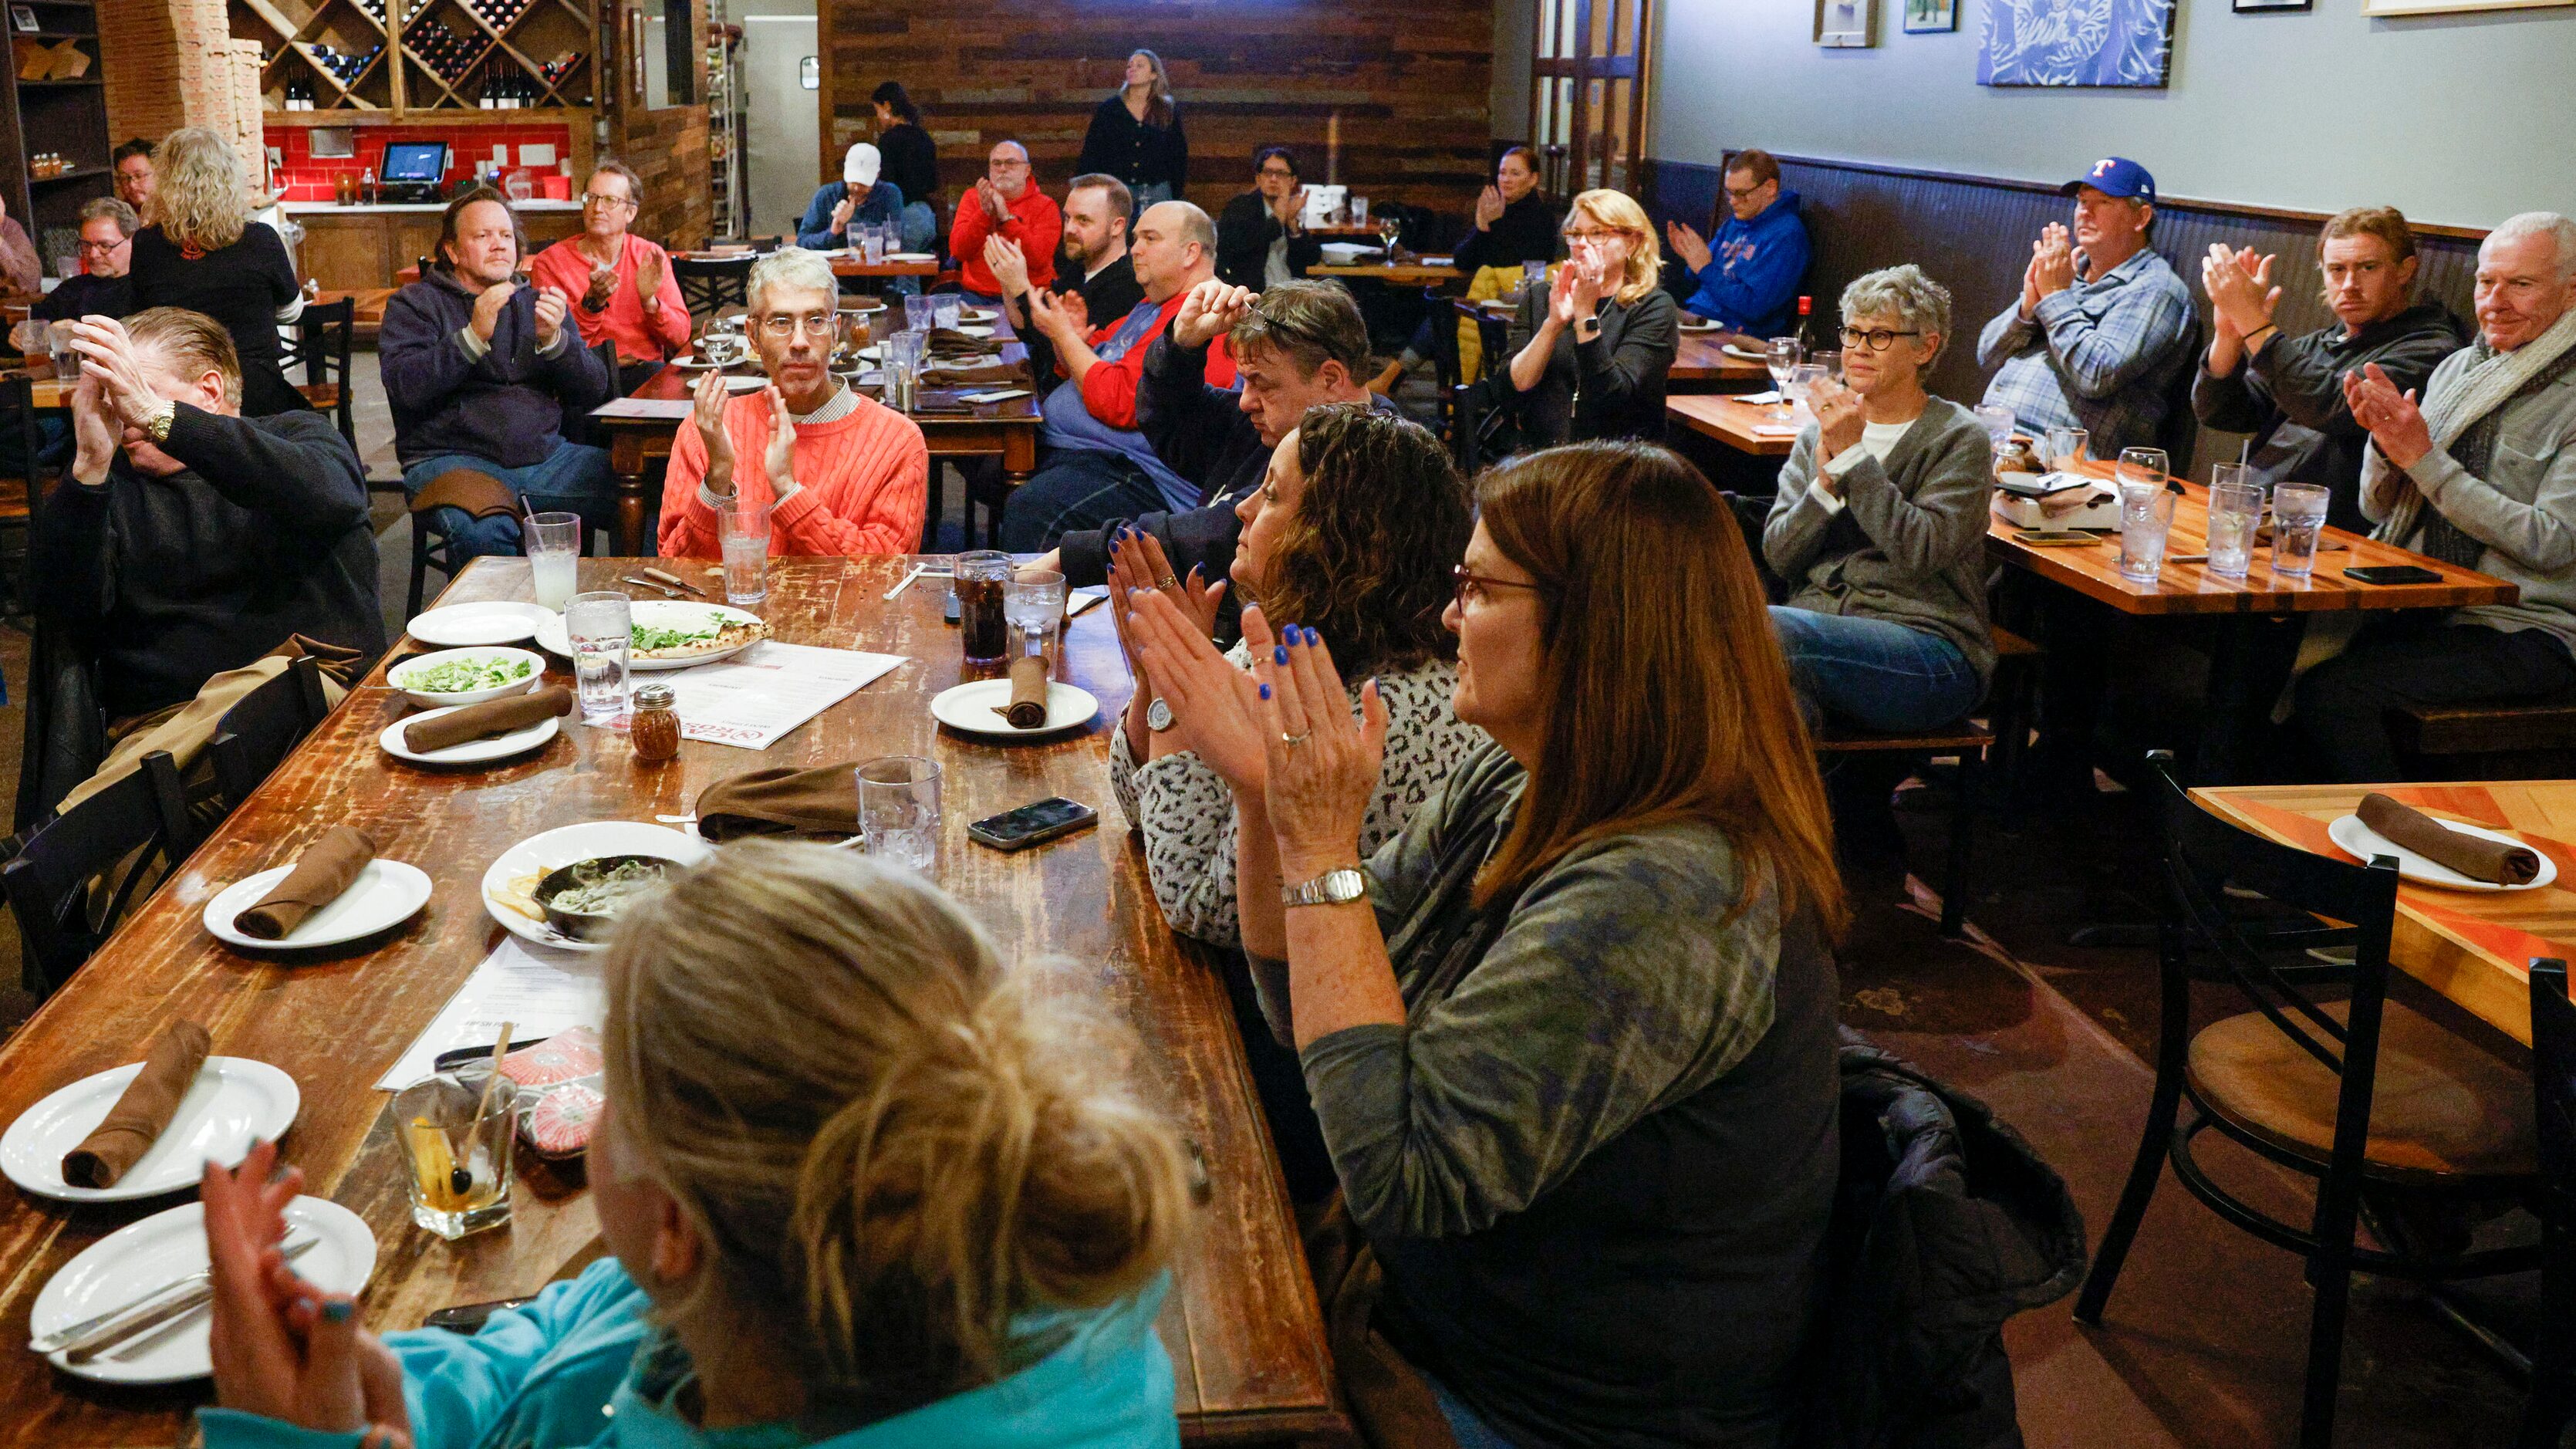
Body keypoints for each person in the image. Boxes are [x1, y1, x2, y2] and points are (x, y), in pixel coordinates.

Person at [1127, 440, 1843, 1449]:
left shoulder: (1667, 891)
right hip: (1438, 1317)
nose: (1446, 613)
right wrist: (1265, 801)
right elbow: (1311, 1007)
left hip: (1546, 1408)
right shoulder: (1517, 779)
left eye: (1476, 588)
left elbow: (1403, 1175)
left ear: (1597, 625)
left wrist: (1319, 839)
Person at [196, 841, 1190, 1449]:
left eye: (611, 1090)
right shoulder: (979, 1260)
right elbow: (576, 1335)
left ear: (671, 1219)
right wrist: (409, 1395)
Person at [1107, 404, 1484, 951]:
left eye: (1273, 495)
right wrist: (1154, 680)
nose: (1242, 509)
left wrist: (1173, 686)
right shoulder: (1301, 634)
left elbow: (1202, 907)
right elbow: (1137, 804)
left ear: (1342, 538)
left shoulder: (1381, 713)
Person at [2296, 211, 2576, 783]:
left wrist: (2422, 459)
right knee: (2271, 652)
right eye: (2484, 281)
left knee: (2333, 693)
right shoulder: (2459, 369)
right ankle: (2260, 842)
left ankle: (2398, 860)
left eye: (2519, 285)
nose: (2494, 301)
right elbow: (2380, 509)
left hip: (2527, 626)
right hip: (2425, 601)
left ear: (2571, 291)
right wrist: (2385, 444)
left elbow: (2553, 544)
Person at [1764, 266, 1997, 879]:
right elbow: (1780, 555)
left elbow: (1919, 550)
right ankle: (1807, 865)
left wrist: (1856, 460)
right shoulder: (1819, 430)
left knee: (1751, 630)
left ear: (1926, 347)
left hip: (1928, 650)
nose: (1857, 349)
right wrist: (1822, 483)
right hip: (1818, 640)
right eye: (1850, 333)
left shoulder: (1958, 438)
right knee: (1780, 707)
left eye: (1878, 336)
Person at [41, 309, 381, 723]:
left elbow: (332, 498)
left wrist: (159, 417)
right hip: (171, 726)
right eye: (113, 399)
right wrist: (88, 473)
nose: (123, 416)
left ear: (210, 390)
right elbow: (63, 617)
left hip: (316, 699)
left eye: (136, 391)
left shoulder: (296, 435)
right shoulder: (107, 484)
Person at [1049, 279, 1386, 637]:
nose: (1245, 400)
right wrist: (1182, 344)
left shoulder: (1362, 453)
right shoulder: (1280, 424)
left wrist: (1074, 556)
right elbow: (1171, 423)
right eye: (1245, 383)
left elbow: (1219, 534)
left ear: (1331, 378)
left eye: (1263, 384)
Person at [2191, 205, 2463, 532]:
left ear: (2405, 271)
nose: (2349, 283)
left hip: (2327, 534)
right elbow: (2224, 413)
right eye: (2336, 269)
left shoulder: (2430, 347)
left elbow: (2334, 405)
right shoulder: (2321, 343)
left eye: (2368, 267)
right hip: (2249, 513)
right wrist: (2229, 334)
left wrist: (2252, 319)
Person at [380, 187, 616, 563]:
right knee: (484, 532)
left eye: (506, 236)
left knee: (655, 490)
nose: (499, 245)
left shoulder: (537, 301)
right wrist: (471, 337)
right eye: (483, 236)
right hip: (452, 462)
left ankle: (640, 609)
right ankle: (508, 623)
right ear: (453, 251)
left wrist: (555, 340)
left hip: (547, 460)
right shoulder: (414, 305)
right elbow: (406, 388)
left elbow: (593, 390)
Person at [997, 201, 1234, 551]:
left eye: (1150, 239)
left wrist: (1062, 335)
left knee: (1031, 508)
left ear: (1191, 253)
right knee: (992, 466)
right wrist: (1075, 340)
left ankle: (1027, 599)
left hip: (1148, 475)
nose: (1135, 249)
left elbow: (1120, 402)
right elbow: (1094, 361)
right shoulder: (1152, 304)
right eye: (1136, 238)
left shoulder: (1204, 319)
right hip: (1095, 452)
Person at [660, 248, 927, 559]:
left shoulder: (897, 441)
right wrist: (718, 475)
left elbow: (887, 569)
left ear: (835, 331)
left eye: (815, 321)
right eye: (781, 322)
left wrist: (788, 491)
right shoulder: (708, 431)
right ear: (753, 335)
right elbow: (674, 564)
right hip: (730, 608)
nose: (800, 341)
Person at [1975, 156, 2194, 459]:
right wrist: (2028, 307)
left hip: (2059, 461)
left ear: (2141, 218)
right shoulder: (2068, 270)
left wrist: (2053, 297)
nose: (2085, 212)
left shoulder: (2157, 290)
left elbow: (2097, 375)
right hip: (1991, 434)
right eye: (2082, 201)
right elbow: (1987, 354)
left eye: (2103, 202)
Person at [123, 127, 309, 418]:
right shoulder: (260, 239)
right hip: (256, 390)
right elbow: (292, 311)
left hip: (180, 394)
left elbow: (141, 321)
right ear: (229, 178)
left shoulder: (147, 245)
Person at [1371, 147, 1560, 393]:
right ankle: (1395, 380)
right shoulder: (1497, 209)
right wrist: (1482, 225)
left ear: (1533, 178)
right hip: (1490, 300)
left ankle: (1396, 380)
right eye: (1503, 173)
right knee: (1441, 313)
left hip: (1519, 305)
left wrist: (1490, 226)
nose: (1506, 179)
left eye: (1515, 173)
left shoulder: (1541, 218)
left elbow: (1511, 266)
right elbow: (1462, 260)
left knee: (1444, 315)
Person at [1505, 187, 1678, 446]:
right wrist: (1552, 325)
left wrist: (1585, 314)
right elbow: (1515, 388)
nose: (1581, 244)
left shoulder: (1653, 307)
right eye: (1576, 234)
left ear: (1632, 242)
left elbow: (1612, 397)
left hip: (1618, 459)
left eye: (1597, 234)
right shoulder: (1543, 296)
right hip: (1544, 456)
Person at [528, 159, 690, 380]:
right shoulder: (551, 262)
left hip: (643, 372)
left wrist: (649, 302)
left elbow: (680, 338)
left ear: (630, 213)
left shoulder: (649, 255)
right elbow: (556, 344)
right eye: (591, 198)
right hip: (582, 378)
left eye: (610, 201)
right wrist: (591, 304)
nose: (597, 208)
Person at [1667, 147, 1811, 339]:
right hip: (1699, 320)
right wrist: (1691, 258)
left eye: (1741, 194)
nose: (1733, 202)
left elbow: (1755, 307)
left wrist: (1704, 268)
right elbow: (1699, 276)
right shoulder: (1735, 222)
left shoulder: (1787, 236)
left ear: (1770, 188)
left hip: (1736, 334)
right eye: (1729, 193)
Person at [986, 173, 1143, 342]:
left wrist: (1021, 288)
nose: (1069, 229)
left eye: (1083, 220)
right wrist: (1006, 278)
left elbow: (1060, 353)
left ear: (1117, 227)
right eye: (1068, 218)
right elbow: (1029, 332)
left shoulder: (1129, 284)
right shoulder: (1078, 268)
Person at [948, 141, 1061, 303]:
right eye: (996, 163)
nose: (1002, 169)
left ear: (1027, 170)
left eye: (1011, 163)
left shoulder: (1046, 206)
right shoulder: (973, 198)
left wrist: (1006, 218)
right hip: (978, 295)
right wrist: (984, 214)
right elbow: (958, 251)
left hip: (1030, 296)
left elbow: (1039, 259)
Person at [1077, 49, 1187, 210]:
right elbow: (1092, 151)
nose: (1132, 69)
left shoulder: (1166, 110)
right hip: (1117, 190)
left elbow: (1178, 154)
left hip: (1156, 190)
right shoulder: (1109, 110)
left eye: (1140, 66)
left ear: (1154, 75)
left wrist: (1175, 191)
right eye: (1129, 66)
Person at [1214, 146, 1320, 292]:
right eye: (1268, 172)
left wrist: (1293, 225)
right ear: (1258, 179)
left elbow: (1311, 259)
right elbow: (1235, 248)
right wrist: (1277, 221)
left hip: (1292, 293)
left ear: (1293, 181)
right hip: (1253, 295)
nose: (1273, 179)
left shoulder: (1293, 207)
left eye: (1281, 174)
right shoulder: (1241, 206)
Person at [32, 196, 137, 323]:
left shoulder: (145, 292)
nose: (93, 254)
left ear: (132, 241)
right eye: (86, 245)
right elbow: (35, 325)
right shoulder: (70, 290)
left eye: (104, 246)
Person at [870, 81, 940, 252]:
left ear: (887, 106)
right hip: (926, 215)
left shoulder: (888, 140)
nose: (878, 117)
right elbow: (933, 183)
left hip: (903, 216)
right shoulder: (924, 137)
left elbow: (887, 186)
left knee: (903, 274)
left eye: (877, 110)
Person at [796, 141, 904, 252]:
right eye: (853, 181)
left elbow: (895, 241)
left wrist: (852, 221)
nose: (857, 188)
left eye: (863, 183)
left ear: (877, 174)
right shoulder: (827, 195)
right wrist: (832, 232)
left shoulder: (889, 194)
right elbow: (802, 242)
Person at [113, 137, 157, 218]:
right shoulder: (117, 219)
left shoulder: (176, 217)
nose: (132, 185)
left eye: (139, 176)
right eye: (124, 178)